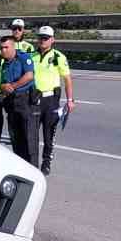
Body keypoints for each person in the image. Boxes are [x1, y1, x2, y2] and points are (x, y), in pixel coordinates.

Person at [30, 25, 74, 176]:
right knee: (32, 134)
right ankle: (32, 163)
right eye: (40, 38)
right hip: (34, 100)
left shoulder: (58, 57)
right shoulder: (31, 56)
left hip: (51, 101)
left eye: (46, 38)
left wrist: (70, 100)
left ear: (52, 40)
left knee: (49, 134)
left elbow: (67, 79)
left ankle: (46, 162)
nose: (42, 41)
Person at [0, 35, 36, 163]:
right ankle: (21, 166)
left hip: (24, 100)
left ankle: (33, 169)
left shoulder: (23, 57)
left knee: (28, 138)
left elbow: (29, 75)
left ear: (13, 46)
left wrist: (13, 86)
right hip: (11, 102)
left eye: (6, 47)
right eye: (1, 48)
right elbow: (3, 82)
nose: (3, 50)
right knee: (15, 137)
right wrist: (4, 86)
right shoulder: (5, 64)